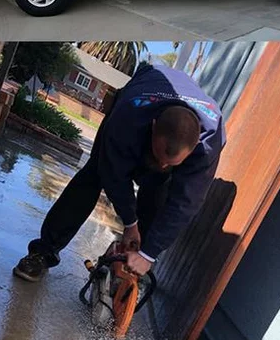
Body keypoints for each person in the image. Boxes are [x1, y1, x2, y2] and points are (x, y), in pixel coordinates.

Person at [13, 63, 226, 281]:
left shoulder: (209, 144)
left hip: (173, 112)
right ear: (152, 128)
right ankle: (43, 252)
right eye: (159, 156)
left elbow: (185, 204)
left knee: (157, 191)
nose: (163, 165)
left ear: (194, 150)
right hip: (142, 92)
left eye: (170, 163)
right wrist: (129, 222)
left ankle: (129, 265)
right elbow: (113, 173)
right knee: (93, 176)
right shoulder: (127, 116)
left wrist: (148, 253)